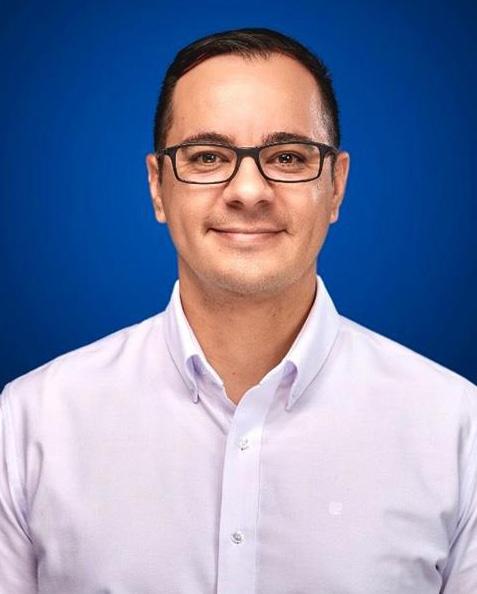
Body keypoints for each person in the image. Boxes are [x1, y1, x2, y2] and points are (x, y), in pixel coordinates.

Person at [0, 27, 475, 594]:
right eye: (207, 156)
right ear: (157, 187)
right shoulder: (30, 424)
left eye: (288, 157)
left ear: (336, 186)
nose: (249, 191)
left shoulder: (457, 431)